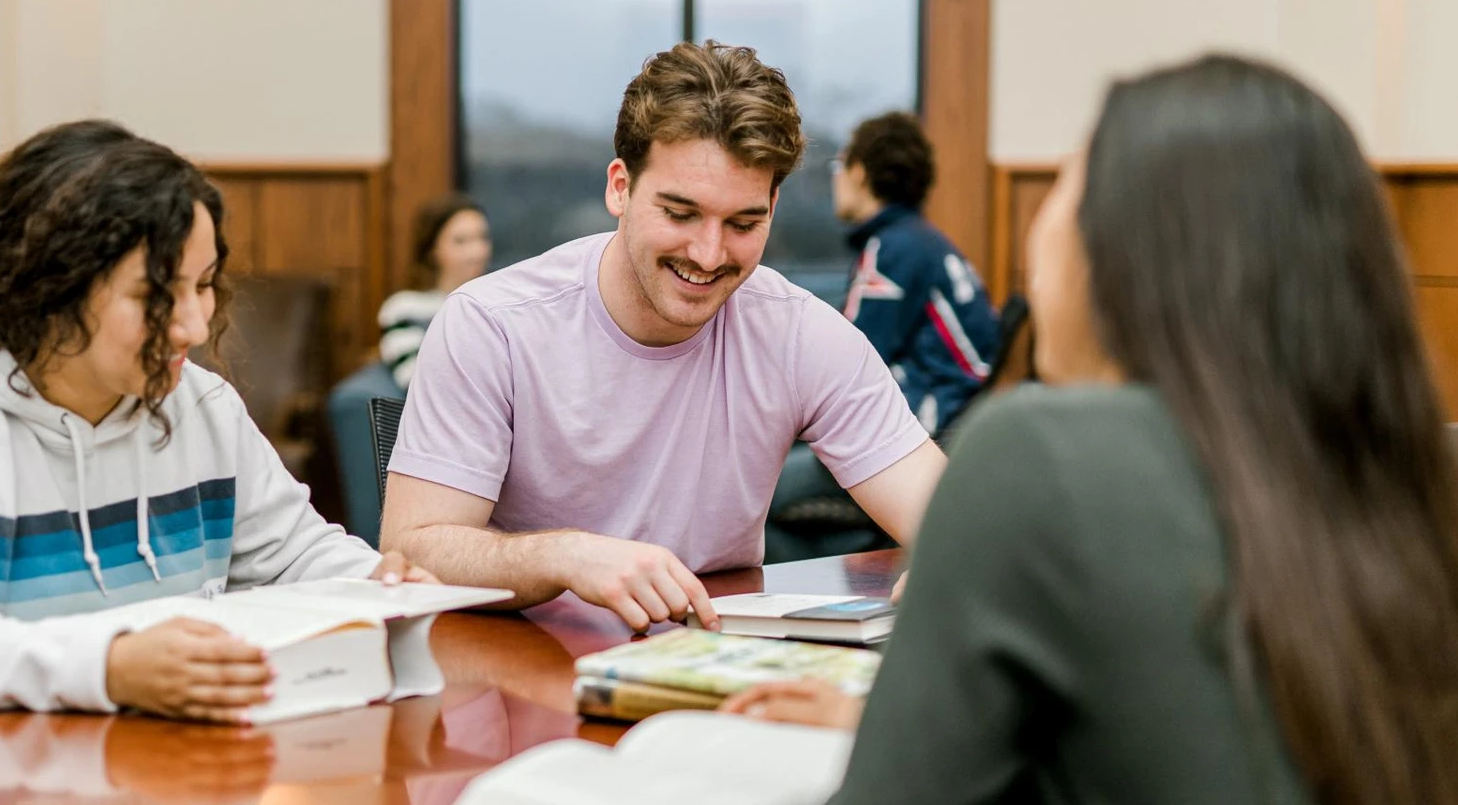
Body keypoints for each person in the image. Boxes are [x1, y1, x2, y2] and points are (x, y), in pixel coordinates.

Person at [726, 55, 1458, 805]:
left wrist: (907, 758)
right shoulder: (1390, 480)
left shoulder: (1039, 454)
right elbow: (1228, 757)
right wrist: (925, 739)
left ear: (1128, 252)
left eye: (1069, 183)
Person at [0, 120, 433, 722]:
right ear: (49, 289)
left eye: (205, 285)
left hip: (144, 779)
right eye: (154, 296)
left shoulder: (201, 406)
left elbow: (293, 554)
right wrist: (106, 666)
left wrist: (373, 580)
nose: (191, 325)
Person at [380, 41, 945, 632]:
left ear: (773, 206)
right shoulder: (492, 324)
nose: (708, 254)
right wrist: (566, 556)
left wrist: (954, 556)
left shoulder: (801, 332)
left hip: (712, 668)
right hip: (519, 660)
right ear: (620, 187)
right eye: (680, 213)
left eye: (744, 223)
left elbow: (945, 513)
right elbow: (411, 550)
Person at [833, 111, 999, 435]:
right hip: (962, 408)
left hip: (939, 415)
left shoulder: (893, 249)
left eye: (838, 166)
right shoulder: (919, 239)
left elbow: (850, 364)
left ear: (859, 173)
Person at [377, 194, 491, 388]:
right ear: (432, 249)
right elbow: (414, 378)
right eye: (461, 241)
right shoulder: (404, 308)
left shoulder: (500, 299)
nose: (477, 251)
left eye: (482, 237)